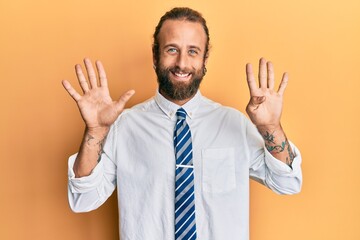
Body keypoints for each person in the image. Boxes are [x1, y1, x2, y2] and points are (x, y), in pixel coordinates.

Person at [62, 7, 302, 240]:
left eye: (193, 51)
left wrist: (270, 128)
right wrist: (95, 131)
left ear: (205, 58)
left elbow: (288, 182)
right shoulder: (124, 126)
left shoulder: (234, 124)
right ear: (155, 56)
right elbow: (84, 199)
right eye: (172, 49)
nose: (182, 63)